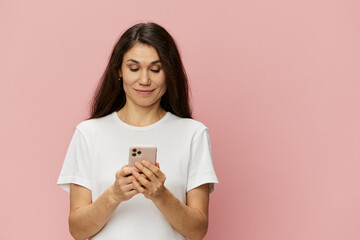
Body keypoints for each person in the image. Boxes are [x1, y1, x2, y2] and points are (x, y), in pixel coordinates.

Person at [57, 22, 218, 240]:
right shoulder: (88, 133)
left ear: (169, 73)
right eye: (134, 68)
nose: (144, 80)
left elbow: (198, 230)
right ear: (119, 71)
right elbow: (77, 230)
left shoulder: (193, 134)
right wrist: (115, 194)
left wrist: (160, 195)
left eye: (155, 69)